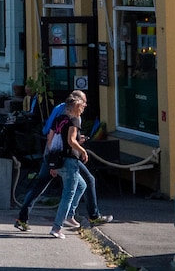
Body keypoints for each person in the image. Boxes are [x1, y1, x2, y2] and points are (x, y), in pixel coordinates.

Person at [13, 90, 113, 231]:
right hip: (64, 156)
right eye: (84, 102)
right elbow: (66, 138)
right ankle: (91, 216)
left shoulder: (59, 109)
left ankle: (22, 219)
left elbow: (51, 132)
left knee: (39, 187)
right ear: (77, 102)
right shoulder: (74, 115)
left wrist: (53, 158)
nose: (85, 105)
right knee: (86, 181)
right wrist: (78, 148)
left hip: (52, 154)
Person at [45, 94, 89, 238]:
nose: (83, 108)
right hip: (69, 160)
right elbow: (71, 141)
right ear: (76, 107)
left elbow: (50, 140)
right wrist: (83, 151)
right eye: (82, 106)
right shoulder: (74, 119)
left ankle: (69, 215)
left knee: (82, 186)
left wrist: (52, 165)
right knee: (68, 195)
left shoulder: (59, 119)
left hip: (58, 160)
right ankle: (57, 227)